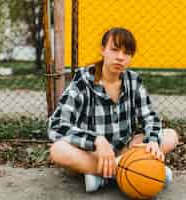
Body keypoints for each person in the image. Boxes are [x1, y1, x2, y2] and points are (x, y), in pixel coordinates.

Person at [48, 27, 179, 192]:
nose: (120, 57)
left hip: (125, 149)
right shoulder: (83, 80)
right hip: (92, 153)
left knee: (170, 136)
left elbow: (150, 117)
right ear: (103, 50)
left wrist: (152, 140)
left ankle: (102, 175)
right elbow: (57, 125)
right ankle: (139, 172)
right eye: (115, 50)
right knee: (58, 150)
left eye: (127, 53)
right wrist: (97, 141)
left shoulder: (133, 80)